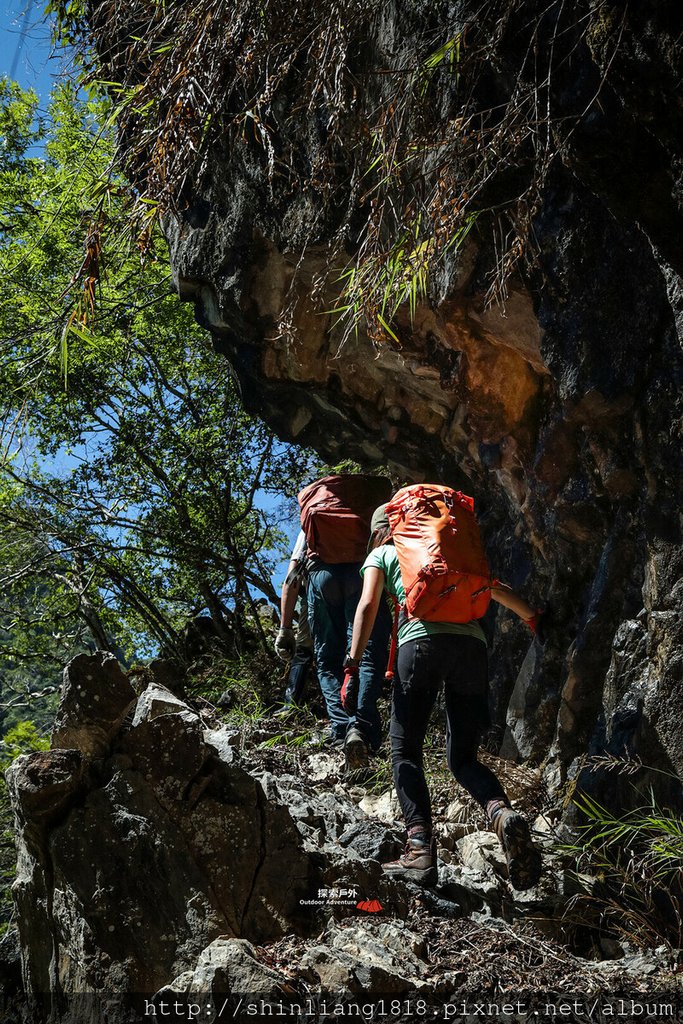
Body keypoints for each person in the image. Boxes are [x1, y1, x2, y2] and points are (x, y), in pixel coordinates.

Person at [345, 502, 544, 890]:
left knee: (405, 752)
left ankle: (419, 850)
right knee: (463, 758)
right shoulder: (449, 554)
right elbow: (494, 587)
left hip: (419, 645)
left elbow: (368, 604)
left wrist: (352, 663)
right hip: (472, 648)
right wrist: (533, 617)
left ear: (382, 530)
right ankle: (502, 815)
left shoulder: (384, 553)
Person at [276, 526, 392, 768]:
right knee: (366, 654)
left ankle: (342, 729)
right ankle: (362, 728)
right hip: (364, 572)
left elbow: (292, 577)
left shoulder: (311, 523)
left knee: (328, 661)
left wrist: (285, 628)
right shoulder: (367, 509)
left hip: (322, 578)